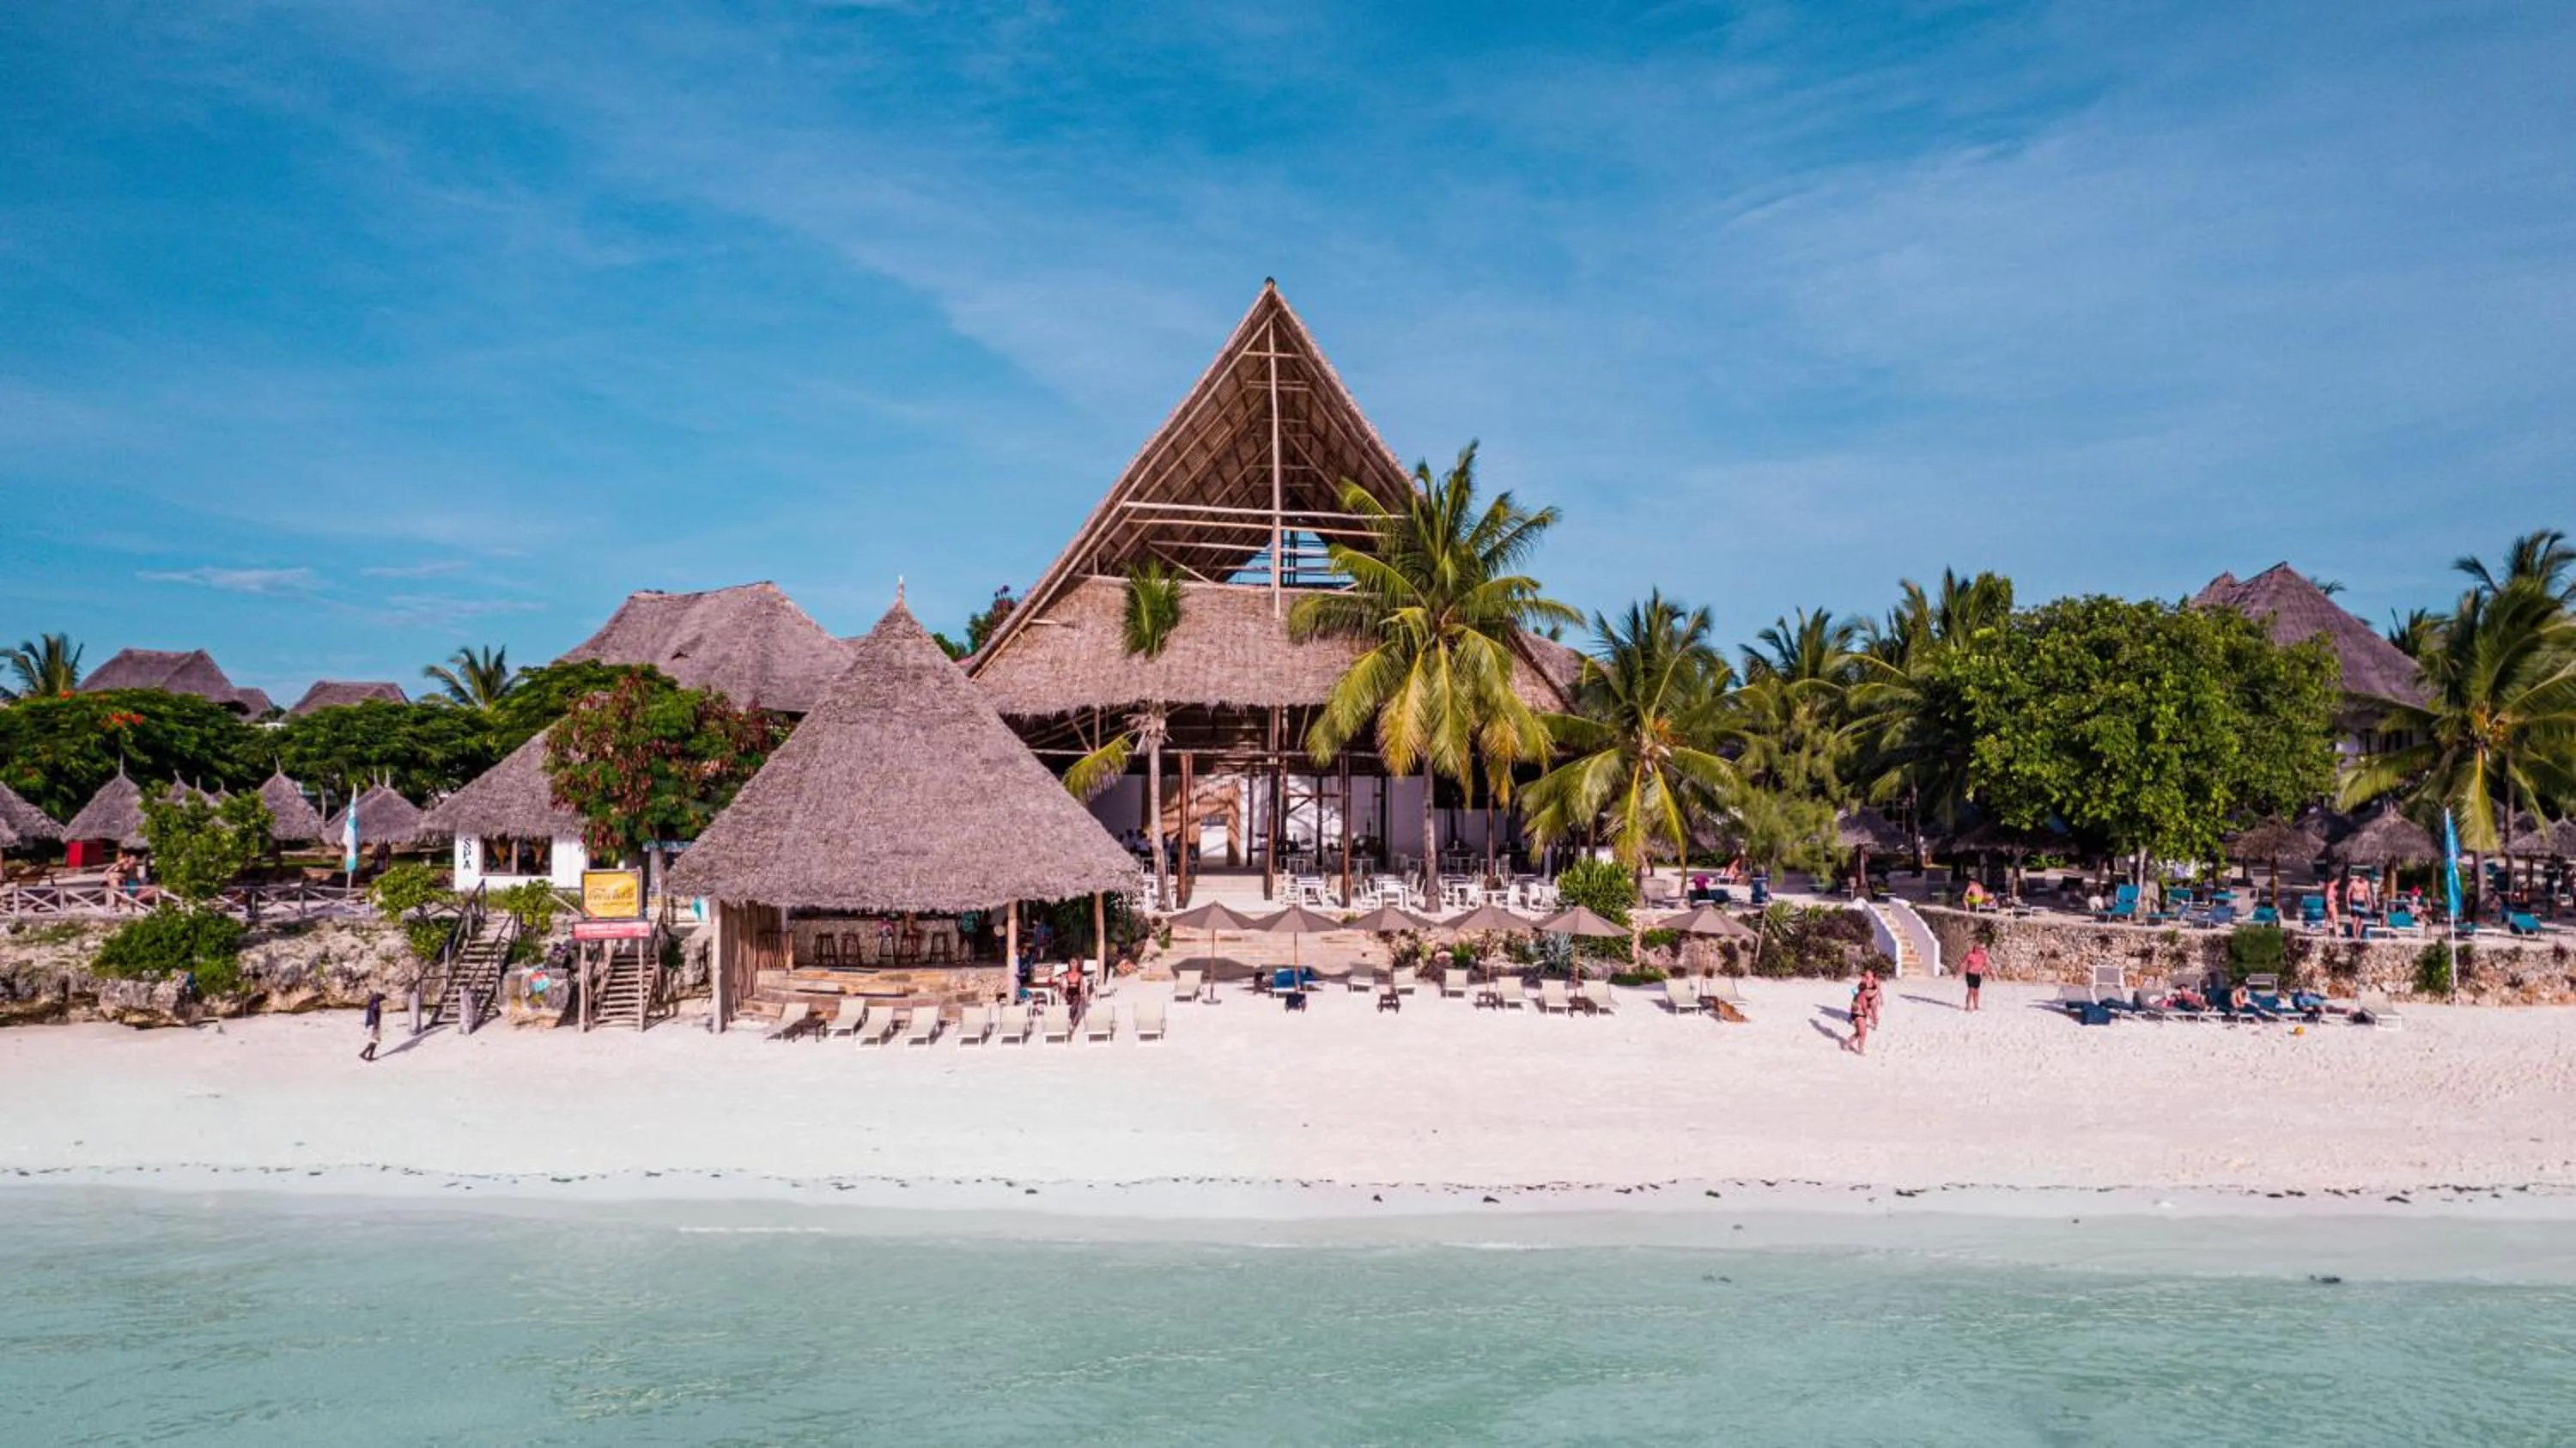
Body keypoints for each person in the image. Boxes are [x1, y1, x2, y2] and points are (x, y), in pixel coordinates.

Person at [1961, 943, 1988, 1013]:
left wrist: (1989, 974)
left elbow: (1986, 965)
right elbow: (1963, 964)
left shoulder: (1983, 956)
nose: (1978, 950)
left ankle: (1976, 1006)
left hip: (1977, 975)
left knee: (1976, 991)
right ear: (1974, 948)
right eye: (1977, 948)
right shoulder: (1970, 955)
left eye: (1980, 949)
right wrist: (1957, 973)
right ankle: (1968, 1006)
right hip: (1970, 974)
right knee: (1971, 990)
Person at [359, 990, 384, 1062]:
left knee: (376, 1040)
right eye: (382, 997)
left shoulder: (373, 1001)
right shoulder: (375, 1002)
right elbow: (373, 1012)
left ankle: (370, 1056)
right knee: (375, 1040)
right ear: (378, 996)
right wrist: (375, 1023)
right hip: (374, 1024)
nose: (382, 999)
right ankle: (363, 1053)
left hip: (374, 1023)